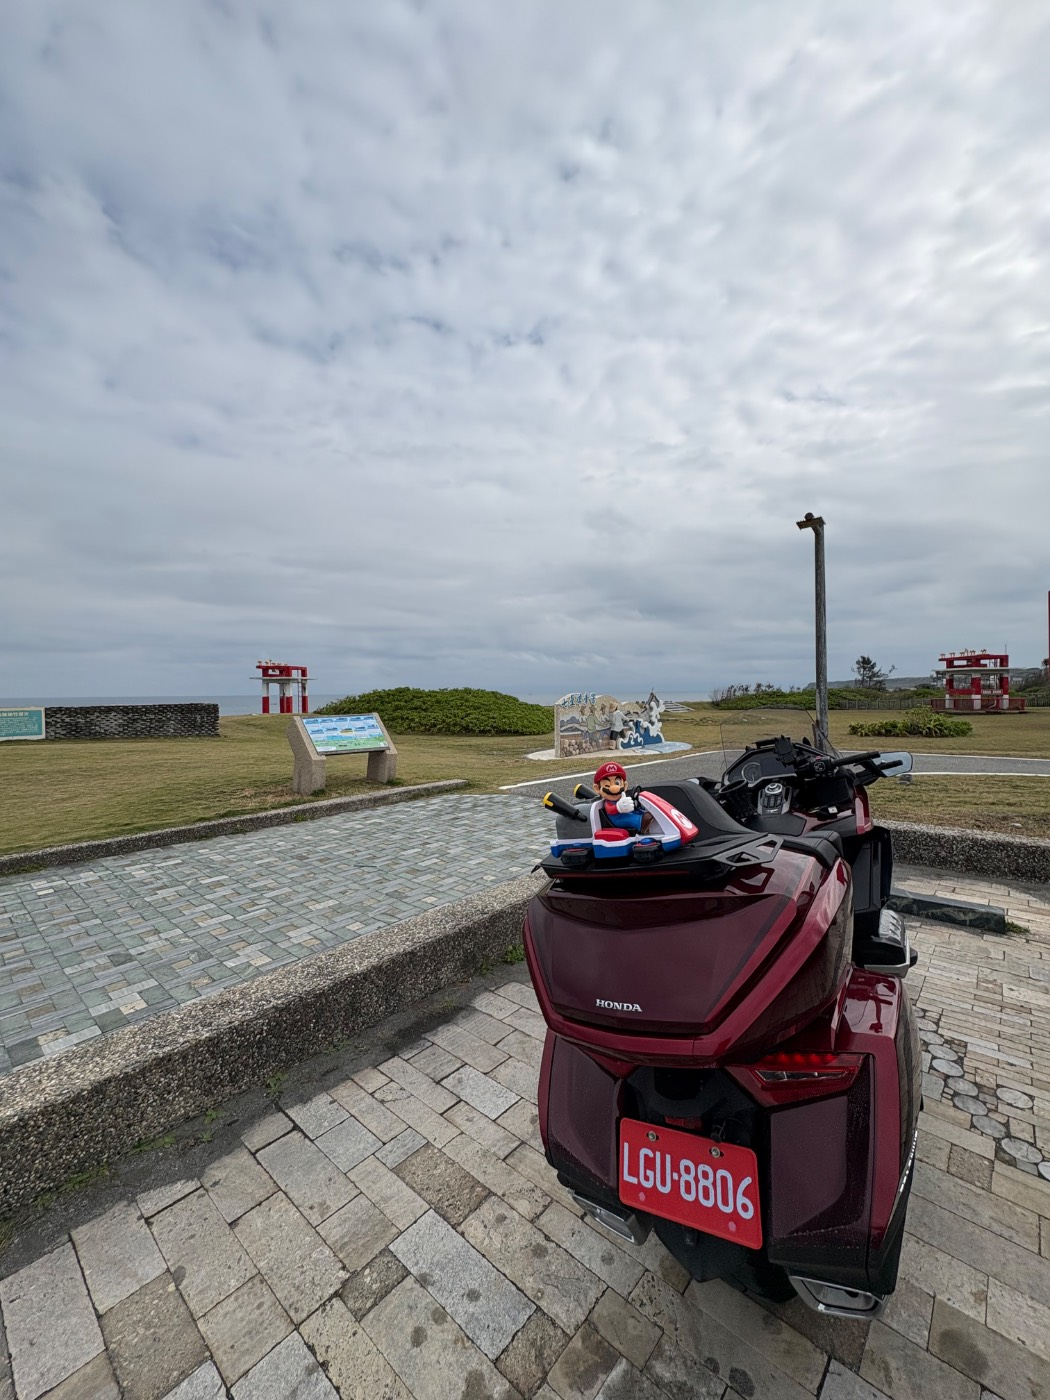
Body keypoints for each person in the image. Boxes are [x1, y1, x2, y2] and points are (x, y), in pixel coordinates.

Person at [593, 761, 647, 833]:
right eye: (607, 785)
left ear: (625, 786)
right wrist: (618, 807)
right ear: (597, 789)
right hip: (617, 819)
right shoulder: (608, 803)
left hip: (624, 814)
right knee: (630, 818)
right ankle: (641, 823)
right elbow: (610, 810)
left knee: (640, 812)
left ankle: (645, 817)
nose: (614, 788)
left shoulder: (622, 797)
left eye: (617, 783)